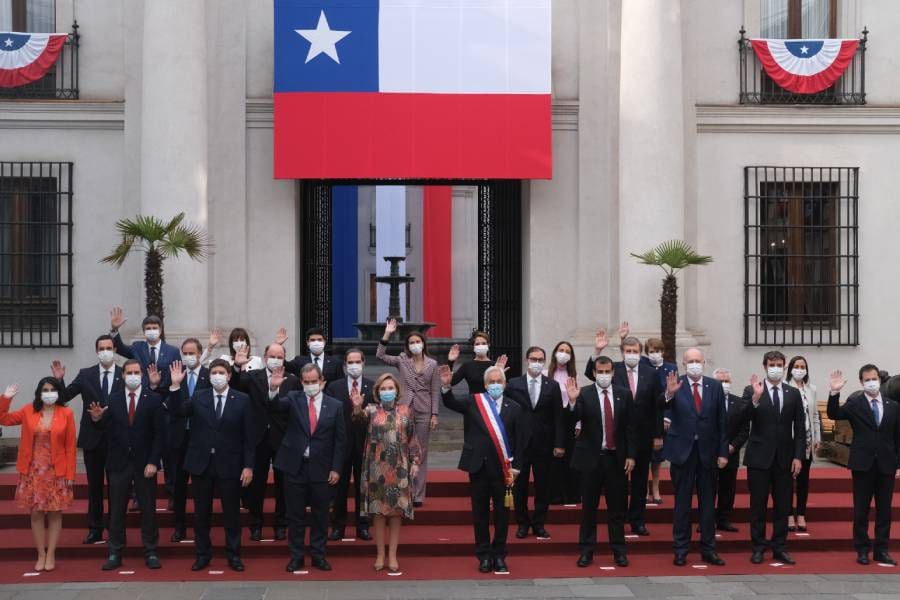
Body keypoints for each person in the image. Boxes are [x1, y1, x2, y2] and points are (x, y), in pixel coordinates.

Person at [167, 359, 255, 572]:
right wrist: (175, 386)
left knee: (232, 514)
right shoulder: (198, 397)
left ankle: (233, 555)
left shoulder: (242, 400)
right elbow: (177, 411)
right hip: (201, 465)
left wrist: (248, 466)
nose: (217, 375)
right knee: (201, 514)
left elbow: (249, 437)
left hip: (231, 465)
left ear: (228, 375)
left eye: (221, 372)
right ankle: (202, 554)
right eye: (214, 372)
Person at [440, 364, 524, 574]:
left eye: (499, 381)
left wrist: (517, 467)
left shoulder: (514, 407)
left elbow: (521, 441)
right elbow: (451, 402)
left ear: (505, 384)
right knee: (480, 514)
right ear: (485, 385)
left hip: (504, 469)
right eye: (491, 382)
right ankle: (484, 555)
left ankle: (499, 554)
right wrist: (446, 387)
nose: (495, 385)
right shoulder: (474, 401)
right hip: (478, 466)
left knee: (502, 514)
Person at [87, 360, 165, 571]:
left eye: (136, 372)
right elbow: (108, 428)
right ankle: (115, 551)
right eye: (129, 372)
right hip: (119, 463)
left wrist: (153, 462)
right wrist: (97, 420)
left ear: (142, 375)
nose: (133, 375)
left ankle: (150, 550)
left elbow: (159, 434)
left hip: (144, 464)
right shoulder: (113, 399)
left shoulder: (154, 399)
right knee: (117, 509)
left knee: (148, 508)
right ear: (123, 375)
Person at [268, 363, 345, 573]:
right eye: (307, 382)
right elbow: (274, 407)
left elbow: (340, 441)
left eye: (314, 381)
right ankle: (297, 556)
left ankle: (318, 555)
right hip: (295, 467)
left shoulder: (335, 405)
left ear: (322, 382)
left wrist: (336, 468)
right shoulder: (293, 398)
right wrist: (273, 389)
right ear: (302, 382)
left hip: (322, 469)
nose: (311, 385)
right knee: (295, 515)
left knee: (321, 515)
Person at [585, 327, 661, 535]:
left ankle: (637, 520)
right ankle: (620, 516)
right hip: (617, 436)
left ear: (640, 352)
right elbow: (591, 375)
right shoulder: (613, 369)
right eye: (628, 350)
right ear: (622, 352)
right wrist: (596, 352)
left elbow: (656, 404)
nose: (631, 354)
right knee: (618, 482)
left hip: (643, 436)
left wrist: (657, 434)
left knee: (639, 480)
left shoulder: (650, 373)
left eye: (635, 351)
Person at [50, 335, 123, 545]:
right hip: (93, 439)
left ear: (115, 349)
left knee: (117, 487)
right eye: (101, 348)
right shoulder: (86, 374)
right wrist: (58, 379)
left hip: (117, 438)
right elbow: (63, 397)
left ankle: (115, 530)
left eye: (109, 347)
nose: (105, 351)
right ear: (96, 351)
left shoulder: (124, 374)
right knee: (95, 487)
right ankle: (95, 528)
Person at [565, 356, 636, 568]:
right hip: (591, 460)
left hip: (616, 460)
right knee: (589, 509)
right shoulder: (584, 394)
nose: (604, 375)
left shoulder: (624, 394)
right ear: (594, 373)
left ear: (613, 372)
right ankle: (586, 551)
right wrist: (572, 401)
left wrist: (631, 455)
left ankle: (619, 551)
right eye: (600, 372)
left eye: (607, 372)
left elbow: (631, 428)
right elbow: (574, 419)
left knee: (616, 510)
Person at [827, 365, 900, 566]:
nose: (871, 382)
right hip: (863, 464)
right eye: (867, 379)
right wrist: (834, 392)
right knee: (861, 510)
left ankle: (881, 550)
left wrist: (898, 463)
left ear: (880, 379)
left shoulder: (893, 406)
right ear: (861, 382)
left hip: (886, 464)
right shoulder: (855, 404)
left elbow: (897, 437)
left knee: (885, 510)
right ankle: (862, 549)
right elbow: (834, 414)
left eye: (874, 378)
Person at [0, 378, 76, 572]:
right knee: (36, 513)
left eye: (52, 389)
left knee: (55, 512)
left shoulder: (66, 413)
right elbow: (3, 418)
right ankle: (40, 554)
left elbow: (70, 446)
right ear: (39, 393)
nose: (48, 392)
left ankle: (50, 554)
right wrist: (5, 399)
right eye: (45, 389)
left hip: (56, 471)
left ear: (58, 392)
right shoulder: (28, 411)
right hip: (33, 470)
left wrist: (70, 473)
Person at [663, 348, 728, 567]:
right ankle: (680, 549)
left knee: (708, 505)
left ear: (704, 362)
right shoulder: (675, 384)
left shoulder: (715, 386)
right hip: (683, 454)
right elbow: (661, 409)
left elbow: (722, 422)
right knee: (682, 504)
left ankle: (708, 549)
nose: (694, 364)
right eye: (689, 361)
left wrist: (722, 453)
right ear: (683, 364)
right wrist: (669, 394)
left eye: (697, 361)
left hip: (708, 454)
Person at [739, 350, 806, 565]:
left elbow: (800, 428)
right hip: (759, 457)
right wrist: (755, 400)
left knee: (783, 505)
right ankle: (758, 547)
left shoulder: (793, 393)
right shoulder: (752, 390)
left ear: (784, 366)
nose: (776, 367)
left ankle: (779, 547)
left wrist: (798, 456)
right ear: (765, 366)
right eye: (772, 364)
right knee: (758, 506)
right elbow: (742, 418)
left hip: (785, 459)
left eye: (779, 364)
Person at [352, 373, 421, 573]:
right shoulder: (371, 410)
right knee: (379, 513)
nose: (387, 391)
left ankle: (392, 555)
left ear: (397, 391)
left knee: (396, 513)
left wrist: (415, 462)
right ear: (377, 392)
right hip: (376, 468)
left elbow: (413, 439)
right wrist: (357, 406)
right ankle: (380, 554)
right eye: (383, 388)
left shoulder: (406, 411)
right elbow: (357, 419)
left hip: (399, 468)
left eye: (390, 388)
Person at [234, 342, 298, 542]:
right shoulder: (253, 377)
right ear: (264, 358)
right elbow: (236, 385)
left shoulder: (292, 381)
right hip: (258, 437)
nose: (276, 360)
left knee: (283, 485)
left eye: (280, 357)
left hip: (283, 439)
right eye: (272, 356)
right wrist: (238, 367)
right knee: (257, 485)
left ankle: (281, 525)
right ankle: (256, 524)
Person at [377, 319, 440, 506]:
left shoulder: (433, 364)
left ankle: (418, 495)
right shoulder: (402, 360)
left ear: (423, 344)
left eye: (417, 342)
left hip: (424, 410)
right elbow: (379, 355)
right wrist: (387, 333)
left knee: (420, 451)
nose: (415, 345)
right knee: (401, 450)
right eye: (411, 342)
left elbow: (435, 390)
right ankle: (402, 490)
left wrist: (434, 414)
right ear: (407, 346)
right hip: (404, 409)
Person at [505, 346, 564, 539]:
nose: (536, 363)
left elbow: (558, 417)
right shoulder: (513, 384)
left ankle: (539, 523)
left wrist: (559, 443)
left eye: (540, 359)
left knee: (543, 486)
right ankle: (522, 523)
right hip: (519, 444)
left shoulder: (552, 386)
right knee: (519, 486)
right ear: (526, 360)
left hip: (544, 444)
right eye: (533, 359)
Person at [325, 348, 376, 541]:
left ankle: (363, 526)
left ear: (363, 363)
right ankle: (338, 526)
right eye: (350, 362)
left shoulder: (372, 387)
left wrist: (360, 408)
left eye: (357, 361)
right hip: (340, 445)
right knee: (339, 488)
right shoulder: (334, 387)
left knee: (363, 488)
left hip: (364, 443)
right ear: (345, 365)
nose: (354, 365)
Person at [167, 338, 209, 542]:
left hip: (201, 439)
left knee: (201, 488)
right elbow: (170, 405)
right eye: (185, 353)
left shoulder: (210, 376)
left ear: (200, 354)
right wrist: (173, 384)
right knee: (179, 486)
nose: (188, 356)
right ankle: (179, 526)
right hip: (179, 437)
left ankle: (202, 528)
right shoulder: (175, 374)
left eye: (192, 352)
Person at [785, 355, 821, 533]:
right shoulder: (785, 388)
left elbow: (814, 415)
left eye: (803, 366)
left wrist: (817, 437)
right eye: (796, 366)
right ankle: (788, 515)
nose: (799, 369)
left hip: (807, 440)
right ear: (790, 368)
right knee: (787, 479)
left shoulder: (811, 389)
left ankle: (801, 514)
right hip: (789, 440)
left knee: (803, 480)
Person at [712, 368, 749, 532]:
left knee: (728, 488)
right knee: (709, 488)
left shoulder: (739, 403)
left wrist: (732, 446)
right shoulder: (707, 401)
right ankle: (707, 520)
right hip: (710, 453)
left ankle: (724, 519)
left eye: (727, 381)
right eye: (720, 381)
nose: (724, 384)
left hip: (731, 453)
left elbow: (744, 430)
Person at [547, 340, 580, 504]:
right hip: (551, 420)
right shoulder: (547, 373)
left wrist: (578, 423)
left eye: (567, 351)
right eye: (561, 349)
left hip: (569, 419)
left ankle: (571, 494)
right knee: (553, 461)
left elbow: (576, 399)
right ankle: (554, 495)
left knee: (569, 459)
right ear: (555, 352)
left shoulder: (573, 375)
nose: (564, 353)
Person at [646, 337, 677, 505]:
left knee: (657, 458)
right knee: (644, 458)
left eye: (657, 351)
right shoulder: (644, 366)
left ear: (663, 352)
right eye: (651, 351)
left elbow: (673, 394)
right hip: (646, 418)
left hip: (663, 418)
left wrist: (667, 416)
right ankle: (643, 491)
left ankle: (656, 489)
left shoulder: (671, 368)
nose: (655, 354)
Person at [108, 307, 179, 378]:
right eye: (148, 328)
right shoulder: (137, 347)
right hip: (142, 388)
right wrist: (114, 329)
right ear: (144, 331)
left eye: (154, 328)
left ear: (160, 330)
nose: (151, 330)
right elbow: (119, 348)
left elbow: (178, 374)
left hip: (164, 388)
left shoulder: (172, 351)